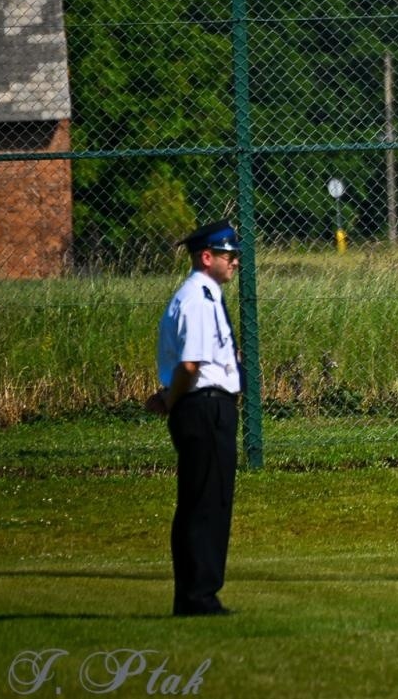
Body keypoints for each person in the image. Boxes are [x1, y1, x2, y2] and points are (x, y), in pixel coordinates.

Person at [145, 219, 243, 616]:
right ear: (206, 257)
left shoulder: (205, 296)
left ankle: (193, 594)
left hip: (205, 405)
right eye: (227, 255)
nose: (234, 261)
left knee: (203, 501)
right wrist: (172, 400)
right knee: (206, 504)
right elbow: (190, 365)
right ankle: (199, 596)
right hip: (205, 407)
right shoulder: (198, 299)